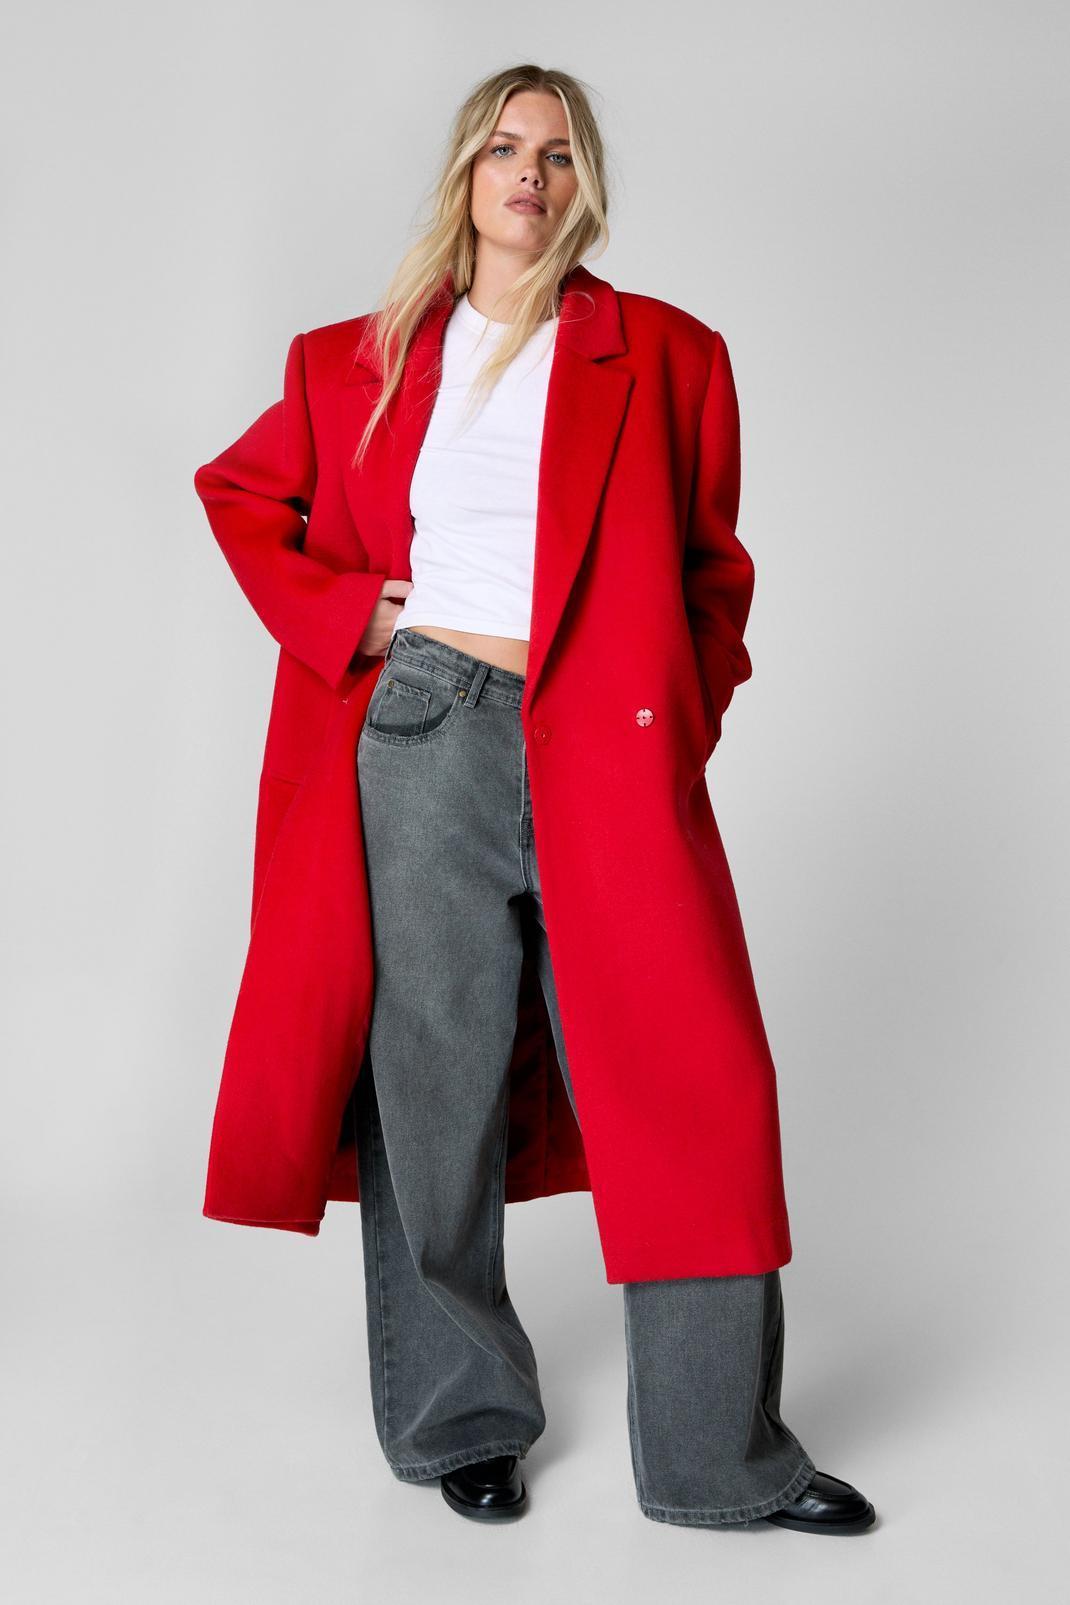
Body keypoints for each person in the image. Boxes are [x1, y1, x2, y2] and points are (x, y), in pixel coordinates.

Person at [194, 64, 876, 1535]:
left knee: (692, 1083)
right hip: (425, 731)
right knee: (428, 1085)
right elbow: (238, 495)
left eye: (557, 153)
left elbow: (713, 575)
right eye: (504, 147)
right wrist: (352, 618)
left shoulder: (667, 354)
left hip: (605, 747)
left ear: (584, 184)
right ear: (466, 173)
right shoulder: (356, 360)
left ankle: (718, 1459)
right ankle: (463, 1420)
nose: (529, 174)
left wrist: (671, 721)